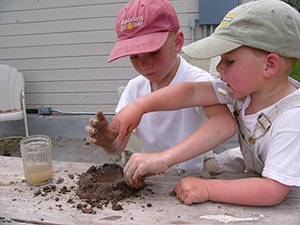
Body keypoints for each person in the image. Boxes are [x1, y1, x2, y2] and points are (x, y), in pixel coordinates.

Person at [111, 0, 300, 206]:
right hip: (253, 166)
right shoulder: (241, 91)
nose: (219, 67)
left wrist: (207, 188)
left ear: (269, 65)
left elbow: (271, 191)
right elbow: (190, 92)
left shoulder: (291, 119)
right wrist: (140, 106)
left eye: (229, 60)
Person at [85, 0, 236, 171]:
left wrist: (165, 158)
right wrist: (108, 142)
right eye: (134, 57)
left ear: (177, 41)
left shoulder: (198, 81)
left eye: (153, 52)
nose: (144, 64)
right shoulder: (135, 88)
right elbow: (117, 148)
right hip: (152, 177)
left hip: (194, 175)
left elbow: (224, 123)